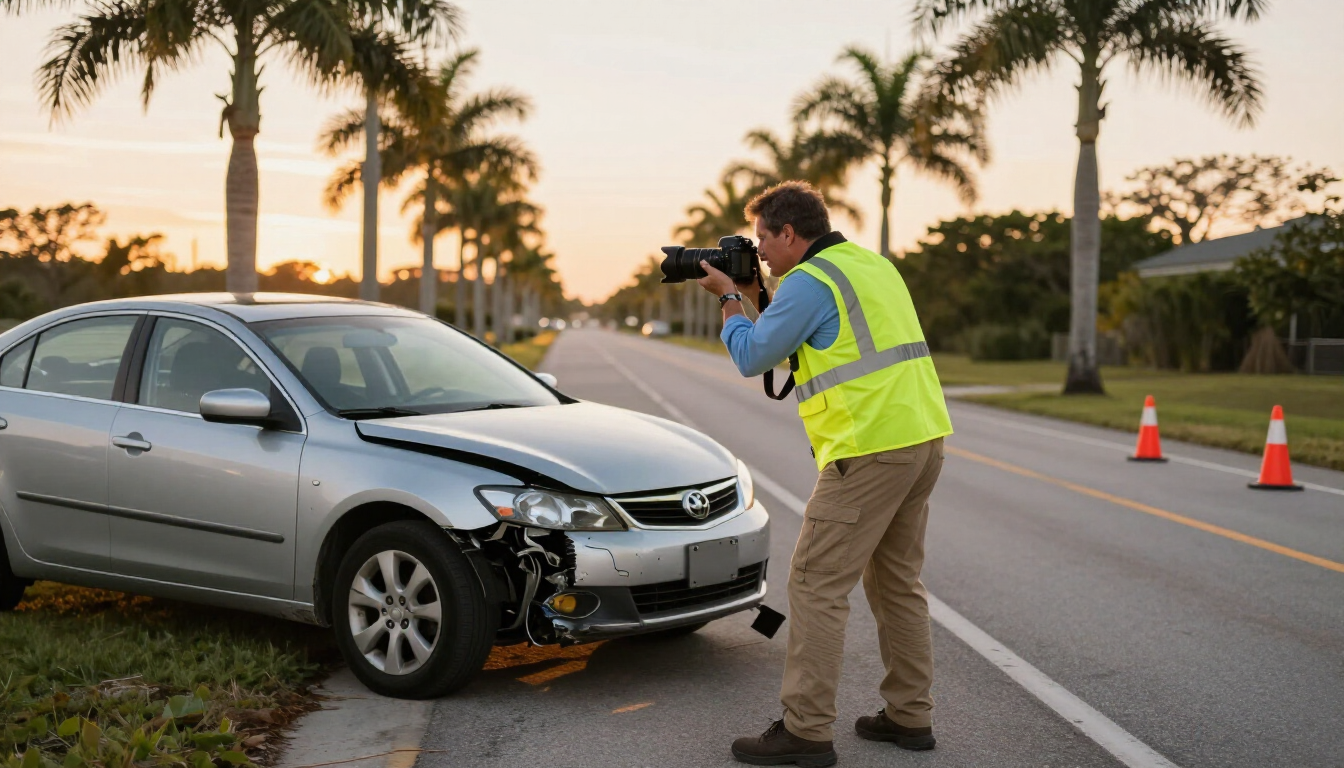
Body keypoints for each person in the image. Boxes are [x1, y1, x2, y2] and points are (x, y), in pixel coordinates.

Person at [696, 181, 952, 767]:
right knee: (897, 583)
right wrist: (756, 295)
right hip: (921, 441)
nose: (758, 251)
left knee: (815, 584)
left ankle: (806, 731)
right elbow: (799, 335)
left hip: (868, 451)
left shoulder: (810, 282)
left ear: (789, 233)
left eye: (762, 239)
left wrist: (729, 300)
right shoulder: (870, 266)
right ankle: (910, 715)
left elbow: (753, 356)